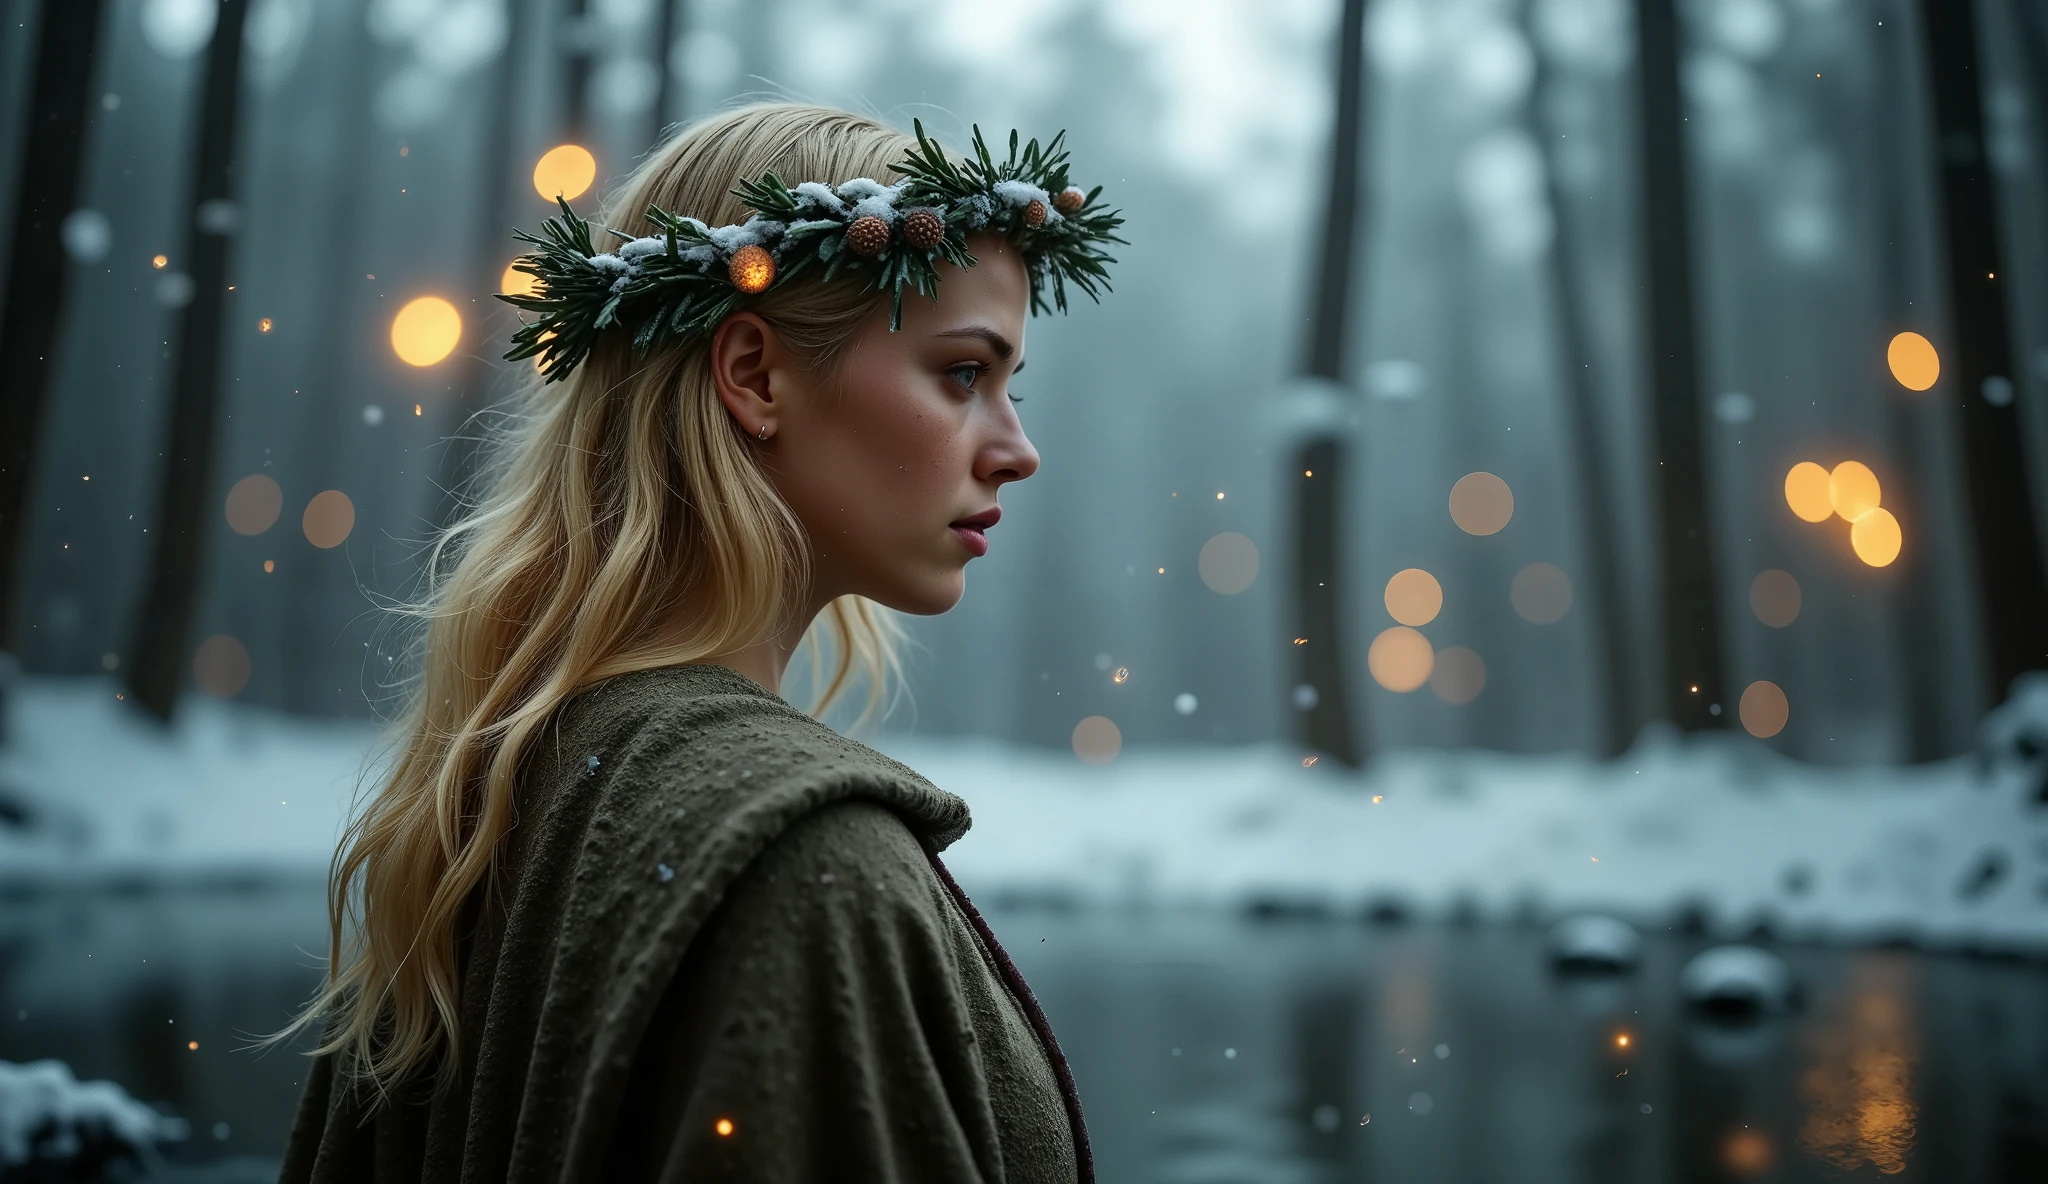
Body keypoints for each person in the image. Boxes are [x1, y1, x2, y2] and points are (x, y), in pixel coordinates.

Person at [270, 103, 1121, 1183]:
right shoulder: (806, 864)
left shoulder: (502, 786)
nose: (1017, 450)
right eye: (962, 373)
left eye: (1009, 385)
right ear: (755, 375)